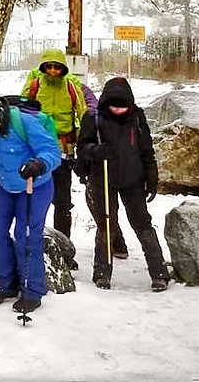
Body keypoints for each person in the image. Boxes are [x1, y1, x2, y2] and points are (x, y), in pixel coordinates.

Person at [20, 49, 130, 260]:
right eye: (49, 66)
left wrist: (85, 146)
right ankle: (34, 247)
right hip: (37, 151)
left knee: (65, 202)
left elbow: (85, 115)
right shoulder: (33, 85)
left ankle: (63, 250)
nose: (53, 71)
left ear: (64, 68)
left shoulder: (73, 86)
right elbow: (23, 111)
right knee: (33, 199)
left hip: (65, 150)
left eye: (57, 66)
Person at [0, 95, 62, 314]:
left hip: (35, 185)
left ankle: (32, 290)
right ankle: (2, 284)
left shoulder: (23, 122)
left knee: (25, 234)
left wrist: (39, 163)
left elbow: (52, 151)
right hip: (4, 185)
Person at [76, 77, 170, 292]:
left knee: (142, 224)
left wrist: (151, 176)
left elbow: (147, 149)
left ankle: (159, 272)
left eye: (123, 106)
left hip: (133, 179)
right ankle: (102, 273)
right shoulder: (94, 117)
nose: (118, 110)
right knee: (106, 225)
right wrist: (94, 152)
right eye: (114, 106)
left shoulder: (137, 117)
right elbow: (82, 148)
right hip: (103, 179)